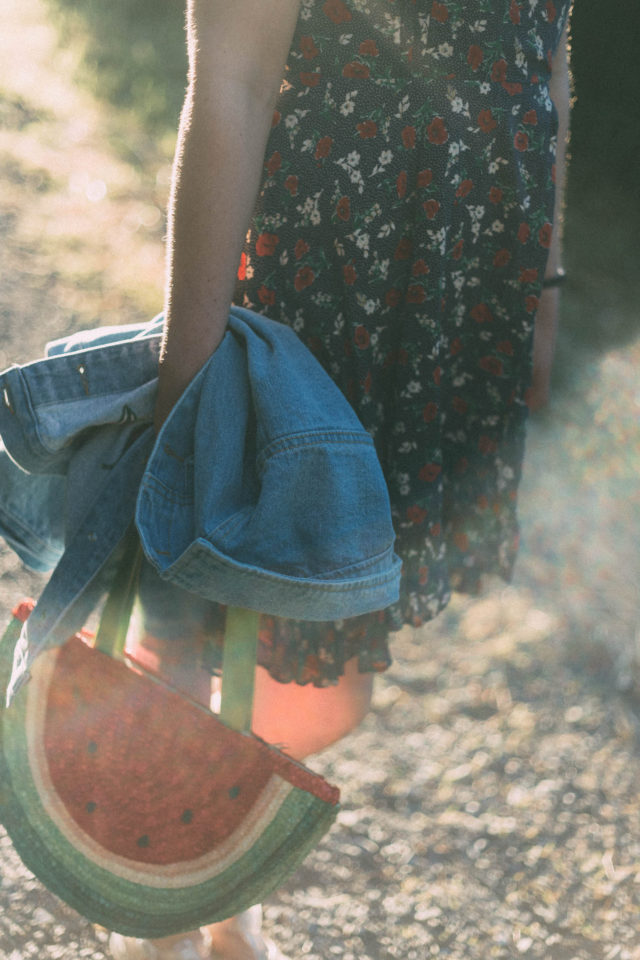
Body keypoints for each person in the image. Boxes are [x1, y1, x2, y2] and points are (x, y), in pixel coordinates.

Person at [109, 0, 572, 957]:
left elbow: (550, 55)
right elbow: (230, 82)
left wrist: (543, 286)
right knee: (254, 625)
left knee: (322, 674)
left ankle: (213, 874)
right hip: (328, 282)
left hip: (455, 303)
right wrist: (188, 381)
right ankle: (172, 899)